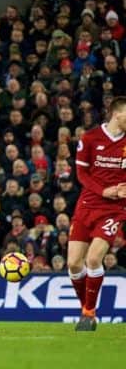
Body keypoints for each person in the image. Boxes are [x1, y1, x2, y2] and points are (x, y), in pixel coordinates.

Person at [69, 96, 126, 331]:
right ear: (117, 114)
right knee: (73, 264)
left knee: (93, 259)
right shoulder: (90, 138)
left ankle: (89, 312)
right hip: (87, 205)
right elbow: (82, 175)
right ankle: (87, 311)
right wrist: (104, 190)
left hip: (114, 209)